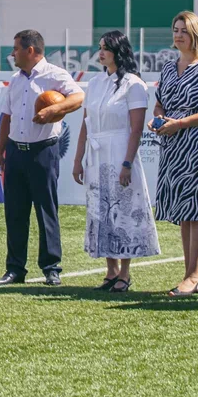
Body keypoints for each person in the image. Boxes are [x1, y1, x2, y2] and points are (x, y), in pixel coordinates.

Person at [0, 30, 84, 287]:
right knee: (15, 213)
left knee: (46, 211)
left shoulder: (55, 75)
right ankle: (15, 268)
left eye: (16, 49)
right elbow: (6, 117)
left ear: (30, 50)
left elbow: (78, 97)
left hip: (43, 151)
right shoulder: (15, 80)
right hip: (15, 152)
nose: (12, 54)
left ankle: (51, 268)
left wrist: (55, 108)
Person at [71, 30, 159, 293]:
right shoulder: (95, 83)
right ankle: (109, 270)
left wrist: (127, 163)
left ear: (118, 51)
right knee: (100, 209)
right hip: (97, 153)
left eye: (106, 48)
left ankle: (125, 272)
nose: (101, 52)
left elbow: (136, 129)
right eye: (100, 47)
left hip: (120, 149)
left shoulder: (134, 84)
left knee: (123, 209)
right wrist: (78, 159)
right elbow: (86, 124)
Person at [150, 11, 198, 297]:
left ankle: (194, 276)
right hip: (172, 147)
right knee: (184, 211)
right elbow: (159, 105)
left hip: (197, 147)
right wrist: (157, 119)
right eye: (175, 29)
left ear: (195, 34)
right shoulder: (168, 68)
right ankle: (189, 276)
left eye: (184, 30)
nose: (178, 34)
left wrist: (180, 122)